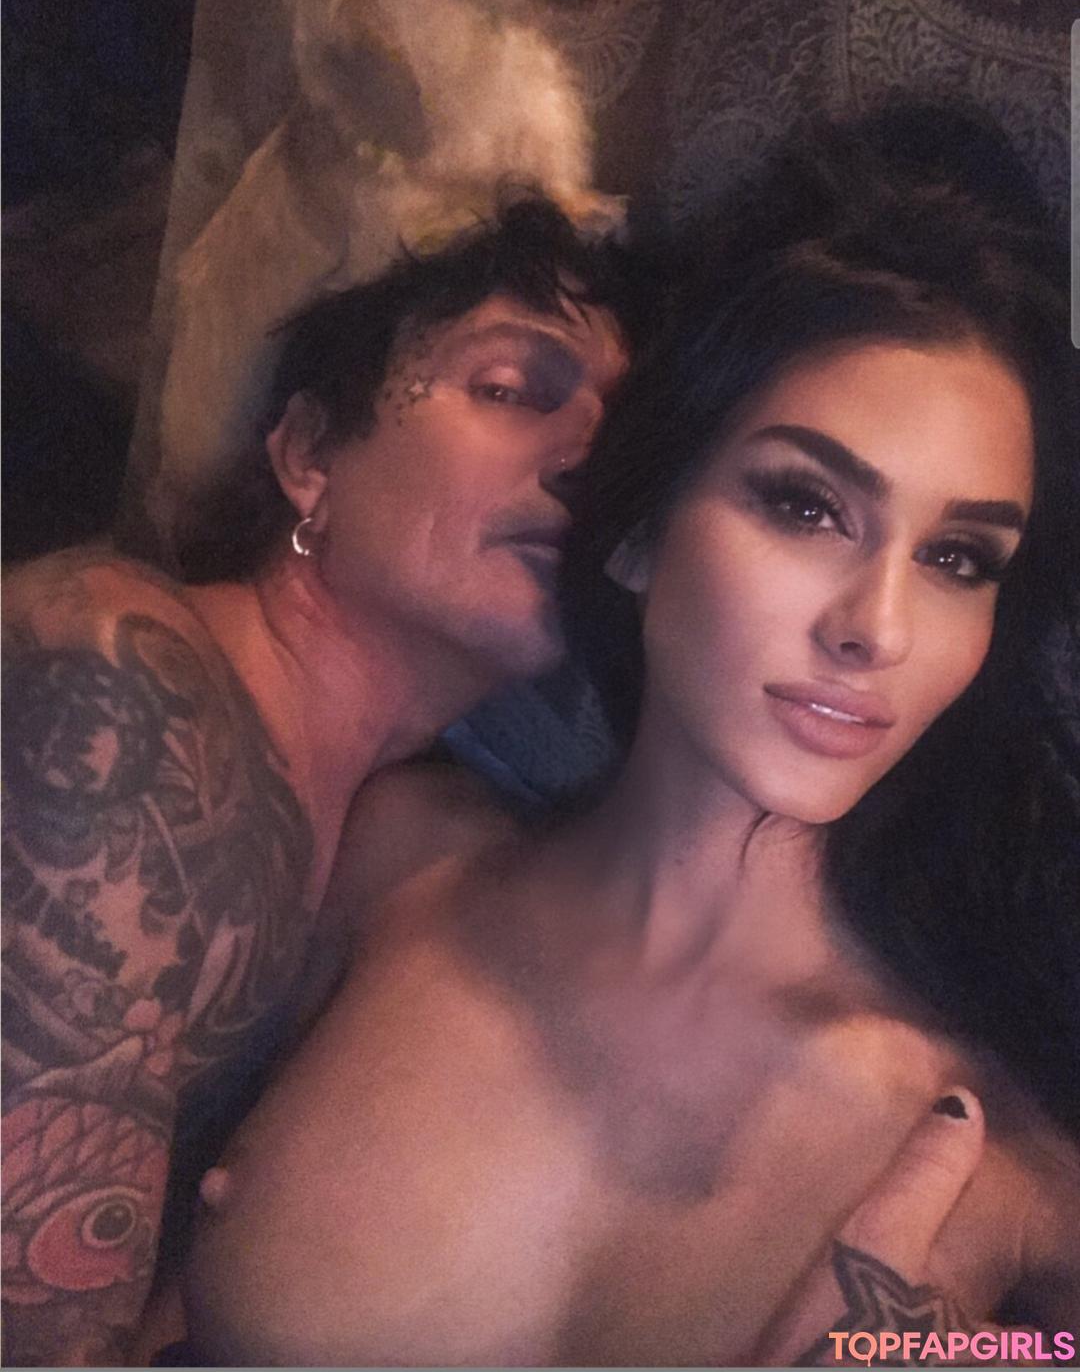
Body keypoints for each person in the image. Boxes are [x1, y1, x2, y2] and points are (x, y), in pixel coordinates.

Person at [179, 99, 1080, 1366]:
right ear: (643, 526)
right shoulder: (393, 856)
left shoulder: (1006, 1167)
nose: (877, 627)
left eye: (957, 558)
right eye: (805, 505)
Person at [0, 196, 635, 1366]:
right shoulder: (124, 672)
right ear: (307, 455)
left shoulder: (390, 840)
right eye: (509, 389)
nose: (586, 456)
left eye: (622, 434)